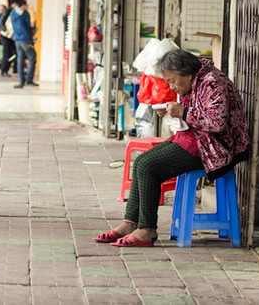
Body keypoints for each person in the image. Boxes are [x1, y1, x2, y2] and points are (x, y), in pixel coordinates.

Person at [95, 49, 250, 247]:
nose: (172, 86)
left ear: (186, 73)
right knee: (142, 161)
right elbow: (195, 114)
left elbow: (217, 122)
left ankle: (147, 229)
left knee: (149, 167)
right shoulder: (196, 79)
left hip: (217, 147)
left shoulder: (212, 82)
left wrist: (183, 112)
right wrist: (171, 112)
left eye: (173, 81)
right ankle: (130, 222)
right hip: (197, 138)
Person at [9, 0, 38, 89]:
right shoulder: (25, 14)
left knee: (20, 60)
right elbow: (28, 26)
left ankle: (21, 82)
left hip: (17, 39)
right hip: (26, 39)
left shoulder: (13, 13)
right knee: (32, 57)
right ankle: (29, 79)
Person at [0, 2, 16, 77]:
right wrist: (5, 31)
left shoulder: (14, 11)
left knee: (14, 53)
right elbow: (2, 22)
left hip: (11, 36)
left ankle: (14, 69)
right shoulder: (9, 11)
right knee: (7, 53)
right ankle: (4, 70)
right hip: (6, 35)